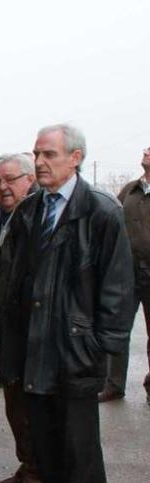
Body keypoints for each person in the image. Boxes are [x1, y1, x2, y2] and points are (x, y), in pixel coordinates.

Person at [3, 124, 133, 483]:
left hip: (76, 354)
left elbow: (118, 288)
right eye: (37, 154)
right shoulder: (29, 210)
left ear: (75, 159)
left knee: (81, 461)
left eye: (49, 155)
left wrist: (100, 346)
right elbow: (17, 282)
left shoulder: (102, 211)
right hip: (35, 352)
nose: (40, 162)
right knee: (47, 459)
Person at [0, 153, 42, 483]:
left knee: (32, 407)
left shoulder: (39, 215)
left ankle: (39, 475)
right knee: (14, 404)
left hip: (30, 330)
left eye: (10, 179)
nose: (2, 187)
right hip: (4, 328)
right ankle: (28, 464)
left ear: (30, 179)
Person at [99, 145, 150, 405]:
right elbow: (112, 219)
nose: (146, 151)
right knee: (118, 329)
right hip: (127, 274)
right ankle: (114, 385)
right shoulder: (130, 189)